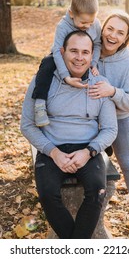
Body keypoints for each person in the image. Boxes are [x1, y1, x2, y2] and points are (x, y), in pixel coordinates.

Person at [20, 31, 117, 239]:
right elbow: (27, 124)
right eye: (73, 51)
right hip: (51, 147)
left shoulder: (100, 84)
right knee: (47, 193)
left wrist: (89, 152)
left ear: (92, 56)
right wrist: (53, 153)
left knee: (98, 190)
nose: (79, 57)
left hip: (87, 147)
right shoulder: (43, 81)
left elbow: (110, 129)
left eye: (85, 52)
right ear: (62, 52)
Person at [88, 10, 129, 235]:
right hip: (90, 119)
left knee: (126, 160)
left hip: (119, 118)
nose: (113, 35)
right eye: (110, 29)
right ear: (102, 29)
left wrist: (112, 91)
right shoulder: (90, 49)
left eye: (120, 32)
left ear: (126, 38)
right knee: (92, 159)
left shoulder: (128, 64)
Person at [32, 0, 101, 127]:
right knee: (46, 64)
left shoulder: (96, 24)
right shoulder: (63, 26)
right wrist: (65, 76)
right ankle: (40, 104)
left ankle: (97, 118)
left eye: (90, 22)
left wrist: (93, 63)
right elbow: (57, 51)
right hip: (60, 56)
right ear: (71, 14)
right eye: (83, 23)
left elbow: (98, 44)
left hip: (84, 58)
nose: (87, 26)